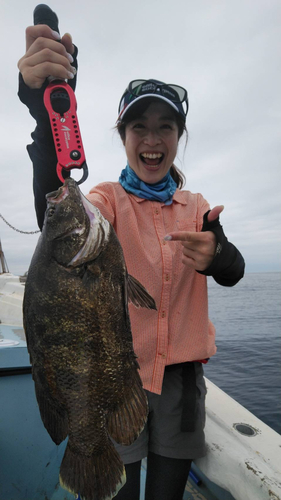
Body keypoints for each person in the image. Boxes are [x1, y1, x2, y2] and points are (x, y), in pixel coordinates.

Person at [18, 24, 245, 500]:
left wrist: (216, 254)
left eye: (166, 126)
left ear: (180, 137)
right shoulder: (104, 201)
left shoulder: (197, 205)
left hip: (181, 385)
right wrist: (49, 115)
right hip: (119, 377)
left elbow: (234, 270)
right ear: (122, 135)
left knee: (167, 493)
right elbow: (53, 210)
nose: (152, 138)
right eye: (139, 126)